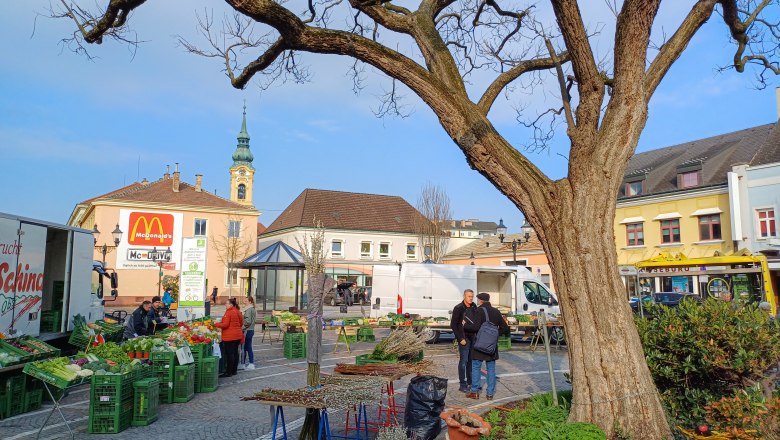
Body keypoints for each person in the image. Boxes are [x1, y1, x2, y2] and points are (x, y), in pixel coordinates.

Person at [464, 292, 510, 401]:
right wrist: (494, 335)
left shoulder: (479, 311)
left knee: (475, 367)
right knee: (491, 368)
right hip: (491, 346)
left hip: (479, 344)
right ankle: (490, 394)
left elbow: (475, 327)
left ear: (480, 300)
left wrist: (465, 326)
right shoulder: (496, 311)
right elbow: (505, 328)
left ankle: (475, 392)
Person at [450, 289, 478, 392]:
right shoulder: (458, 308)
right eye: (469, 296)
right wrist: (460, 338)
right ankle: (462, 384)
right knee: (463, 361)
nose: (471, 298)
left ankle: (470, 382)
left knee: (471, 361)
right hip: (464, 338)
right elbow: (453, 325)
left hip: (473, 337)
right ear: (464, 296)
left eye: (472, 296)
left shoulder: (474, 306)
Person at [215, 297, 244, 377]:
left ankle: (229, 372)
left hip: (230, 336)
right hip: (237, 335)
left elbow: (225, 324)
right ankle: (234, 370)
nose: (225, 305)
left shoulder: (229, 312)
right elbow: (241, 322)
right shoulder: (237, 311)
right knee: (235, 353)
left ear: (231, 305)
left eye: (226, 303)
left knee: (229, 354)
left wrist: (215, 324)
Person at [240, 295, 257, 370]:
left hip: (247, 330)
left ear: (250, 302)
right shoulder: (251, 308)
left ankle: (249, 363)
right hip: (250, 330)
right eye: (244, 300)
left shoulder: (249, 309)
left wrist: (242, 328)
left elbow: (248, 321)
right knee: (247, 347)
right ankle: (247, 363)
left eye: (246, 301)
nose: (244, 302)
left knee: (246, 347)